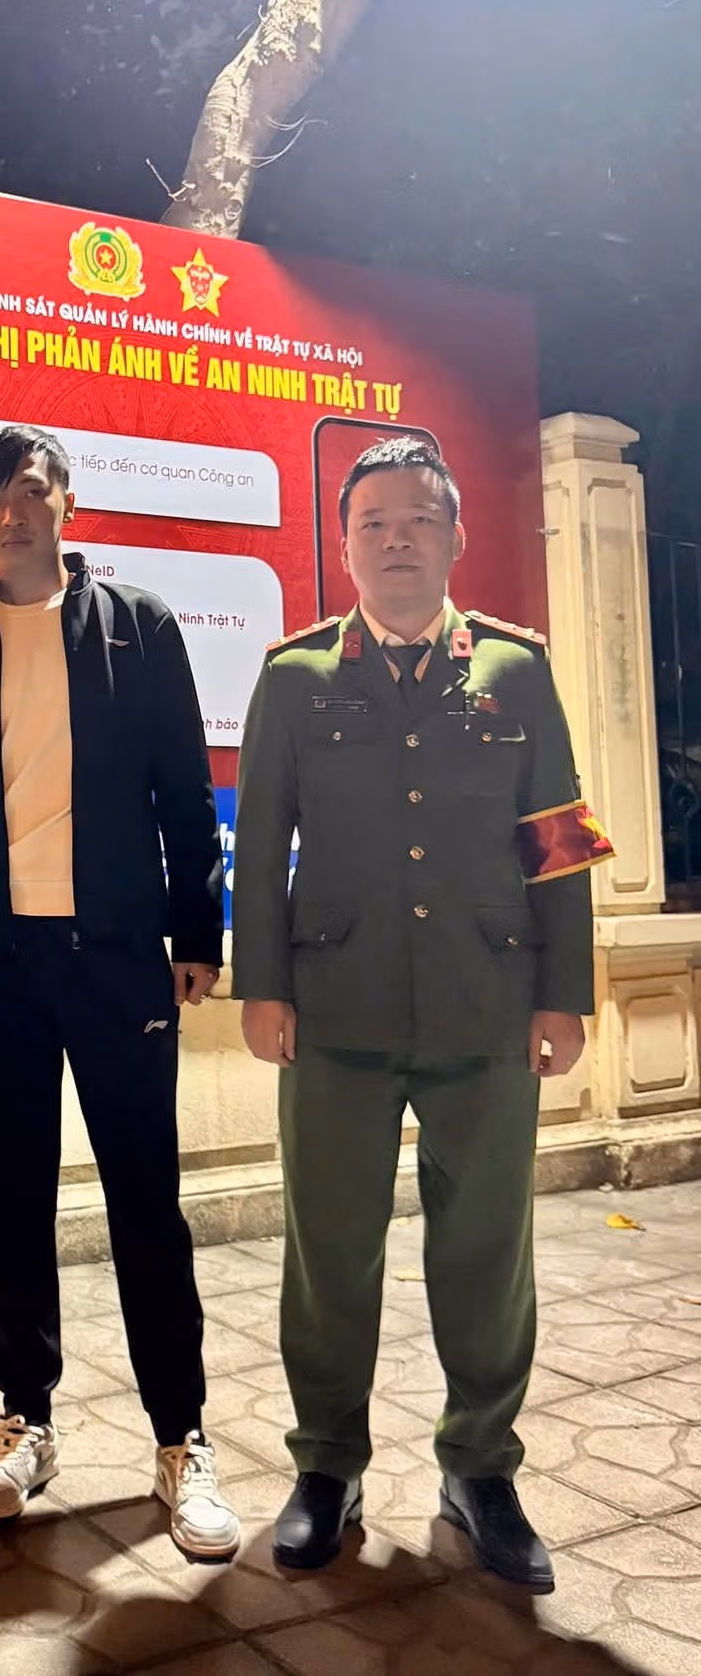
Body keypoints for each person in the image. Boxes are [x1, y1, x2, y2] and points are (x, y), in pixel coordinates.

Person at [233, 435, 610, 1593]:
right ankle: (326, 1466)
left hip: (485, 1004)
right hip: (335, 1009)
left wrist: (564, 991)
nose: (396, 540)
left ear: (455, 536)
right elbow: (260, 844)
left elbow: (559, 843)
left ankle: (480, 1468)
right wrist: (262, 983)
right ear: (344, 545)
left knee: (487, 1250)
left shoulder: (516, 670)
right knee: (329, 1252)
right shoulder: (295, 675)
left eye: (418, 520)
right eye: (374, 523)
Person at [0, 423, 239, 1555]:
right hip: (1, 965)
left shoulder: (138, 625)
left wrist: (196, 931)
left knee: (145, 1203)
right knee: (8, 1202)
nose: (11, 511)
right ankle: (24, 1419)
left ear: (66, 504)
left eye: (29, 490)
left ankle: (181, 1437)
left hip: (118, 958)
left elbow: (185, 787)